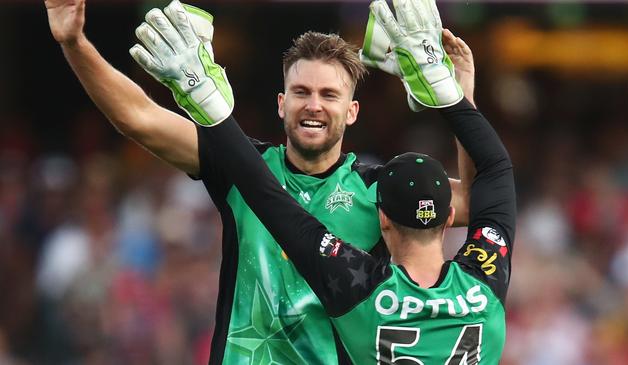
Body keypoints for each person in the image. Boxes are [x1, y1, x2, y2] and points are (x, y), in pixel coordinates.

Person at [45, 0, 475, 363]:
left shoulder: (380, 189)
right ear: (281, 104)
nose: (314, 105)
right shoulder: (240, 162)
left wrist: (462, 97)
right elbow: (137, 116)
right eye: (302, 92)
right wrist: (73, 42)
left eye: (329, 95)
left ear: (352, 111)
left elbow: (478, 202)